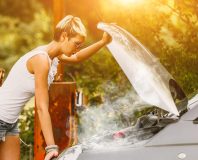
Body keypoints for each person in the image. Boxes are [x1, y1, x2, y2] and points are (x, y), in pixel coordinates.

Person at [0, 15, 112, 160]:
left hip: (10, 122)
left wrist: (103, 42)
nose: (77, 48)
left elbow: (77, 58)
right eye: (76, 44)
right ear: (64, 36)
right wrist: (51, 147)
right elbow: (41, 107)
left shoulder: (52, 56)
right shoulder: (41, 60)